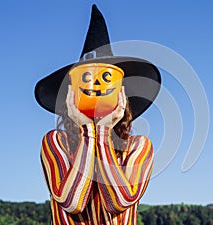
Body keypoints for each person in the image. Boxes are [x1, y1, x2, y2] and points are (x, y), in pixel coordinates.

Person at [35, 4, 161, 225]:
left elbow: (119, 201)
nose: (95, 87)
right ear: (69, 95)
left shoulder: (138, 148)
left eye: (105, 79)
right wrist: (88, 132)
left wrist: (101, 131)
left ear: (122, 95)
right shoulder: (56, 143)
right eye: (86, 79)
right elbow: (72, 202)